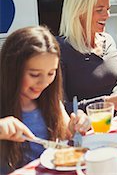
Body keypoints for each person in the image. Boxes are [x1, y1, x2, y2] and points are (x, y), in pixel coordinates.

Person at [0, 26, 90, 173]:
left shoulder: (49, 99)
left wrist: (77, 125)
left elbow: (67, 134)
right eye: (34, 75)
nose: (44, 83)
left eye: (51, 73)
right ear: (12, 69)